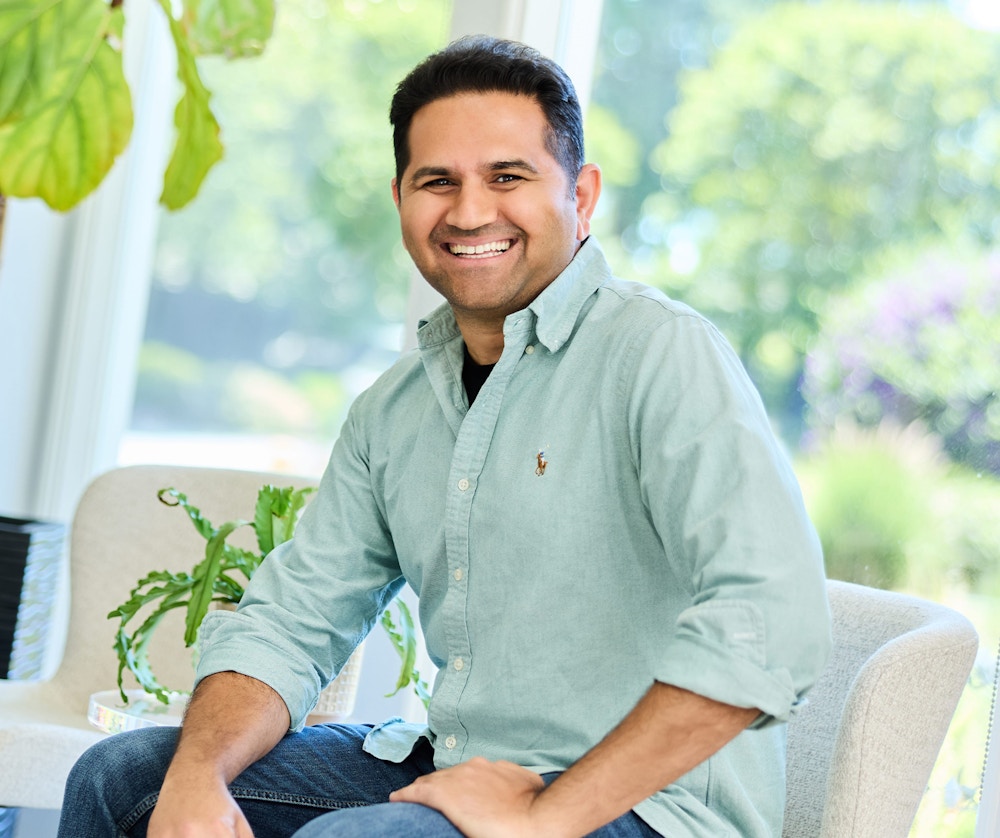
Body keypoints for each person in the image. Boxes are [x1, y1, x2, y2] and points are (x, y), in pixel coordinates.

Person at [59, 35, 831, 838]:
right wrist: (196, 776)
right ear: (401, 199)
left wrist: (543, 817)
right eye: (438, 182)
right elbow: (290, 622)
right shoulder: (394, 410)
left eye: (508, 177)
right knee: (123, 782)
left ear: (583, 195)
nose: (468, 212)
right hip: (457, 763)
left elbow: (775, 617)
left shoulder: (660, 353)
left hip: (644, 809)